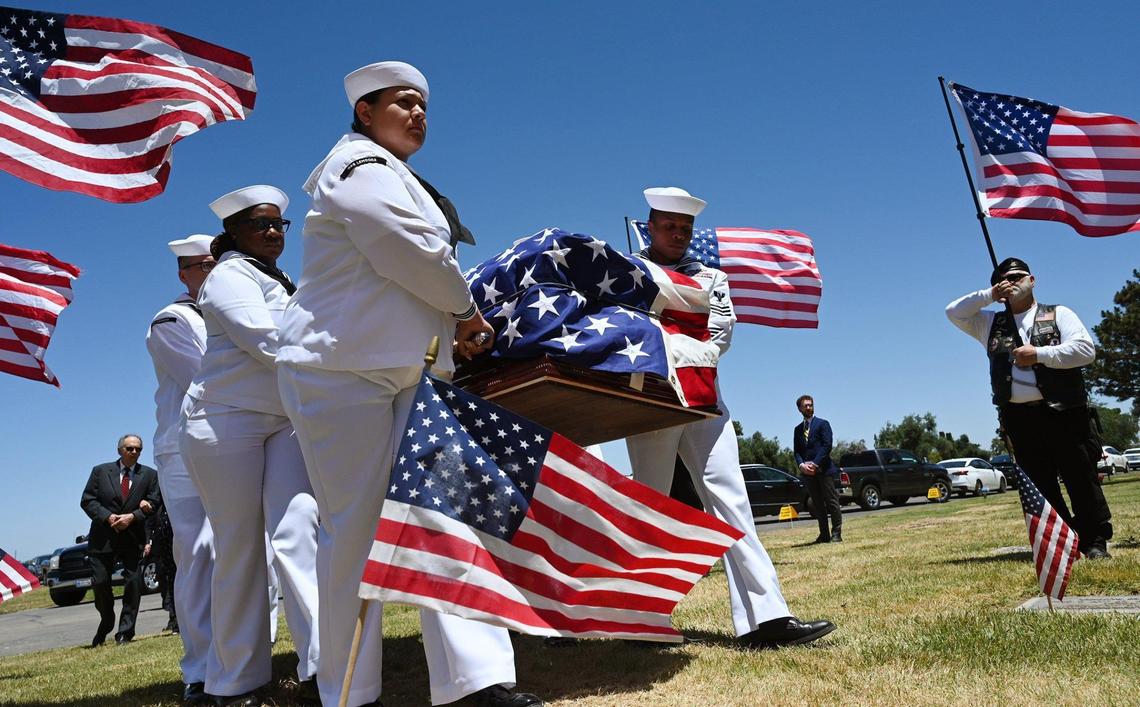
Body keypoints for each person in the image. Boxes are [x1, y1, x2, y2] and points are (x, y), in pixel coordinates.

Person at [276, 61, 540, 707]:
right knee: (355, 533)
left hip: (409, 372)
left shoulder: (401, 177)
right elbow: (408, 248)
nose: (419, 113)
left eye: (424, 105)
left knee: (444, 511)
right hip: (339, 372)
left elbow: (416, 262)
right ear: (365, 112)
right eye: (403, 102)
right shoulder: (355, 167)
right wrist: (466, 310)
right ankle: (347, 692)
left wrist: (451, 328)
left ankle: (476, 682)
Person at [624, 187, 836, 649]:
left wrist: (672, 341)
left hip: (705, 398)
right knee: (649, 505)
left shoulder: (712, 277)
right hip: (651, 400)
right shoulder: (628, 272)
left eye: (685, 228)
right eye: (668, 226)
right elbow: (625, 328)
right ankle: (639, 617)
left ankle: (767, 618)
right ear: (651, 226)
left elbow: (720, 334)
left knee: (733, 501)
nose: (678, 234)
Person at [180, 186, 320, 705]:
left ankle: (323, 668)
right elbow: (264, 339)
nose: (273, 232)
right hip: (224, 422)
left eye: (280, 225)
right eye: (260, 224)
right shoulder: (228, 276)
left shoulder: (281, 278)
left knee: (300, 530)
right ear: (233, 231)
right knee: (238, 548)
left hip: (281, 419)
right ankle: (233, 682)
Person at [946, 257, 1113, 558]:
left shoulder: (1058, 313)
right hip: (1019, 418)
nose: (1011, 282)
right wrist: (988, 295)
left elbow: (1086, 350)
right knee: (1040, 484)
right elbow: (954, 312)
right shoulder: (990, 323)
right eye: (1003, 279)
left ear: (1032, 280)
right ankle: (1064, 540)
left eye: (1018, 276)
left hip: (1063, 412)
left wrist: (1039, 354)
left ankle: (1095, 540)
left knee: (1080, 477)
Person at [146, 234, 216, 704]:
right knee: (197, 553)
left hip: (246, 439)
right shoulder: (172, 320)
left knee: (255, 554)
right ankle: (199, 669)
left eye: (218, 263)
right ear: (183, 274)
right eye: (201, 266)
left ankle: (246, 658)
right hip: (186, 448)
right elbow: (209, 377)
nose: (211, 272)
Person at [80, 434, 159, 646]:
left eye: (138, 449)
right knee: (101, 582)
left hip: (133, 538)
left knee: (133, 583)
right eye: (130, 448)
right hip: (103, 537)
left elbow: (155, 503)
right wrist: (109, 517)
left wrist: (133, 516)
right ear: (120, 450)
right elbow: (87, 501)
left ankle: (125, 632)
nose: (134, 452)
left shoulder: (150, 475)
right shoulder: (100, 472)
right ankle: (106, 621)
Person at [793, 395, 841, 543]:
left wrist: (815, 463)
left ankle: (836, 534)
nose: (809, 407)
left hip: (824, 470)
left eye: (811, 405)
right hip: (808, 473)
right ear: (800, 408)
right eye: (805, 405)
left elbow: (827, 445)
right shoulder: (797, 430)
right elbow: (797, 451)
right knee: (817, 504)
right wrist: (801, 465)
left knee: (832, 502)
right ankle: (824, 535)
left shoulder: (823, 424)